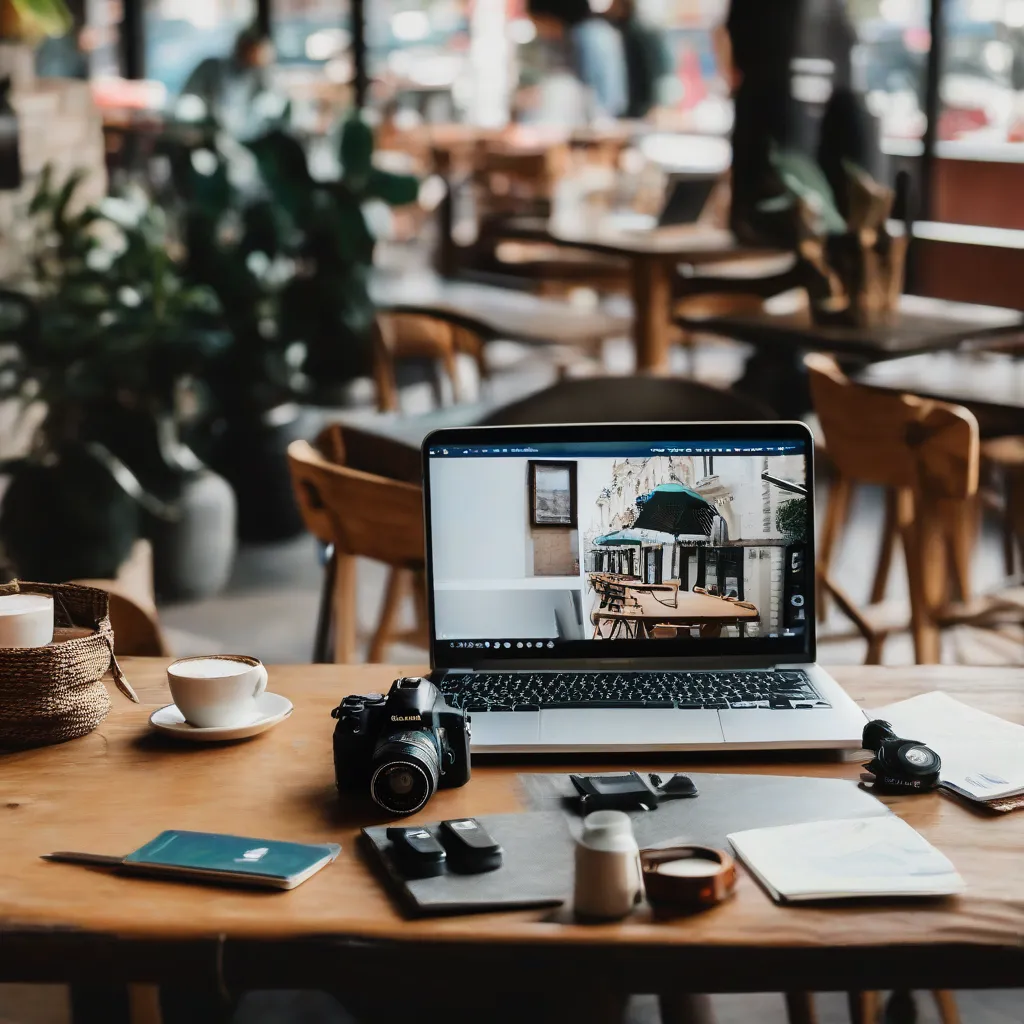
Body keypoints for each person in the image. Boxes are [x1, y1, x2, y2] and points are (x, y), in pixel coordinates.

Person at [179, 27, 277, 138]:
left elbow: (272, 104)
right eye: (252, 50)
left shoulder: (260, 76)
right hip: (213, 135)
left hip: (251, 137)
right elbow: (187, 101)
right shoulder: (211, 68)